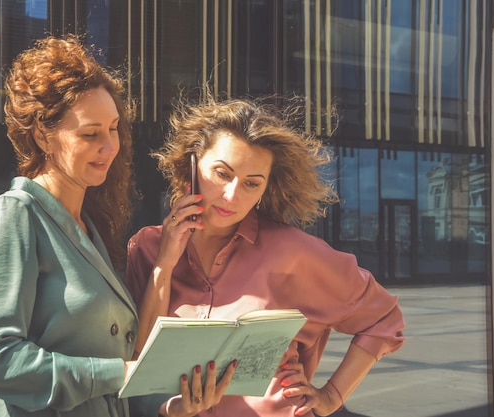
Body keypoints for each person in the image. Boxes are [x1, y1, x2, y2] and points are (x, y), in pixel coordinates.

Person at [0, 36, 235, 417]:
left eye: (113, 129)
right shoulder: (14, 216)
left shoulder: (86, 227)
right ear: (42, 134)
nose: (111, 147)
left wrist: (172, 407)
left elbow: (125, 364)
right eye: (91, 134)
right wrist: (117, 373)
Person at [124, 92, 406, 417]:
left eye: (251, 184)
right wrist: (165, 264)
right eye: (222, 173)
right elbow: (140, 359)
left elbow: (384, 318)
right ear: (192, 164)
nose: (231, 195)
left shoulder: (291, 251)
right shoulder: (146, 247)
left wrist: (331, 396)